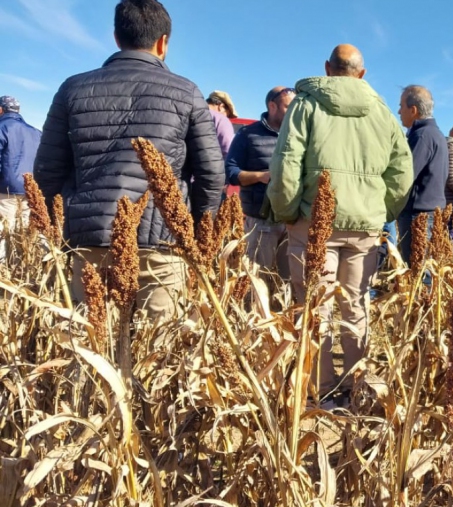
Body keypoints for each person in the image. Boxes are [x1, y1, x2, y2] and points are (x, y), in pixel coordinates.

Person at [33, 0, 224, 320]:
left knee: (96, 346)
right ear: (163, 42)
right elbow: (211, 173)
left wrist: (58, 226)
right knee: (159, 353)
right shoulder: (187, 91)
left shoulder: (73, 88)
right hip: (162, 245)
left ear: (116, 37)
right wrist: (199, 237)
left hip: (92, 242)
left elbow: (47, 170)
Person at [266, 44, 413, 402]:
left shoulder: (305, 103)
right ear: (361, 74)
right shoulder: (382, 113)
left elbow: (286, 163)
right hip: (363, 226)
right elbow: (402, 174)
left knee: (317, 307)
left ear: (328, 69)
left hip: (313, 221)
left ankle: (321, 389)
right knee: (356, 305)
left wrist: (286, 210)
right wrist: (380, 212)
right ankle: (356, 385)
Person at [225, 86, 295, 277]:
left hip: (292, 221)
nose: (294, 112)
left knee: (290, 282)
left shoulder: (299, 136)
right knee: (257, 279)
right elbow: (231, 173)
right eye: (288, 107)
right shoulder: (248, 134)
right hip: (261, 221)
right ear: (272, 106)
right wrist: (261, 176)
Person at [396, 85, 447, 263]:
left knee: (417, 271)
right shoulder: (437, 134)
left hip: (418, 215)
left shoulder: (422, 136)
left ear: (413, 110)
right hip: (431, 212)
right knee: (424, 270)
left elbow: (406, 176)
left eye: (401, 106)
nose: (398, 111)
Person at [0, 95, 41, 249]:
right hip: (29, 189)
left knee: (4, 232)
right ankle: (19, 268)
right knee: (22, 233)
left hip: (5, 190)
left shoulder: (2, 128)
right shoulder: (35, 132)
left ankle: (3, 269)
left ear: (1, 109)